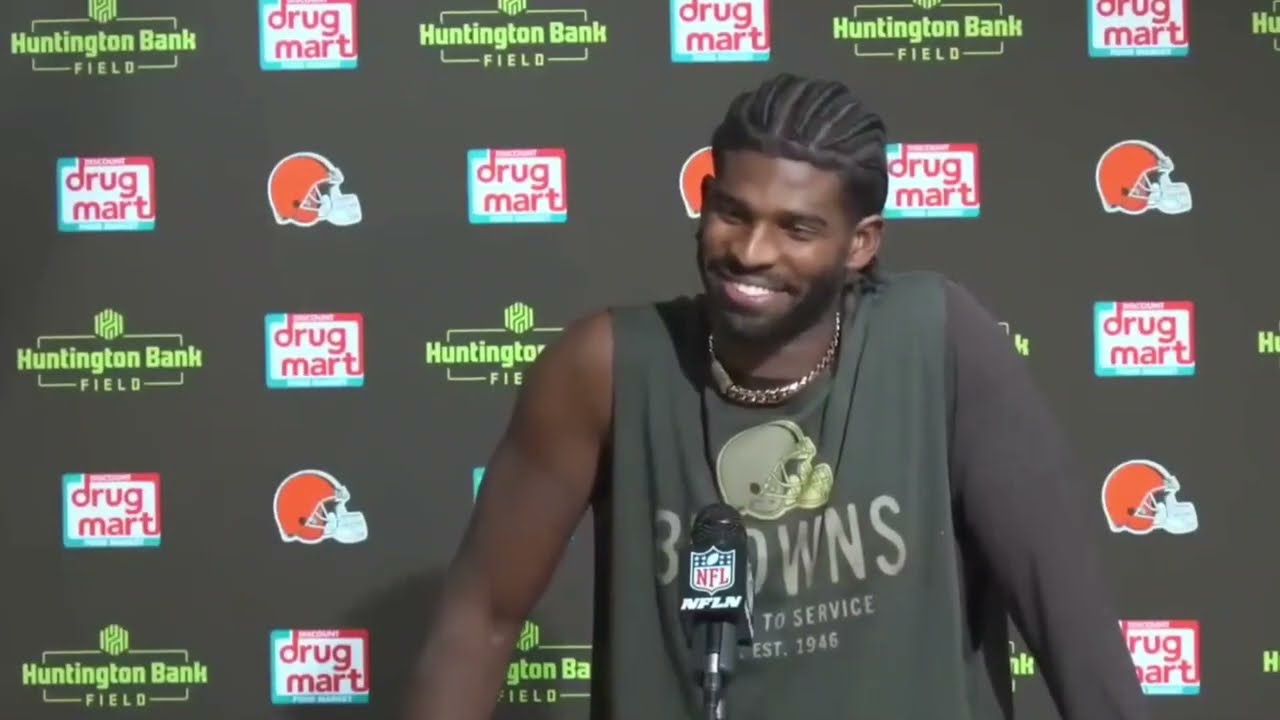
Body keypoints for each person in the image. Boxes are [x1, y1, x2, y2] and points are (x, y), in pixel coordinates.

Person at [405, 73, 1148, 720]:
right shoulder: (605, 368)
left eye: (797, 228)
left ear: (861, 244)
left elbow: (1069, 622)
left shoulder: (939, 341)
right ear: (704, 199)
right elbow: (480, 618)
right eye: (734, 212)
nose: (752, 251)